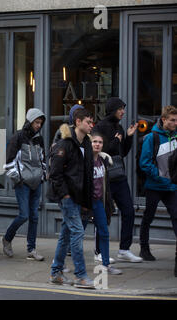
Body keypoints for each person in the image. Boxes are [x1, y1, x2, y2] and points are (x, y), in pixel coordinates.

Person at [48, 108, 95, 289]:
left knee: (67, 234)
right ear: (78, 122)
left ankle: (55, 272)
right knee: (77, 232)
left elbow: (87, 175)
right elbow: (55, 173)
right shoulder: (65, 144)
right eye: (88, 122)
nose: (91, 125)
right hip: (67, 196)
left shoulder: (87, 145)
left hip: (80, 196)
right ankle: (81, 276)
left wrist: (86, 202)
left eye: (92, 123)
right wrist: (65, 195)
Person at [93, 97, 142, 263]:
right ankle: (99, 251)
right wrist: (116, 141)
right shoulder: (100, 127)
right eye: (120, 108)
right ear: (112, 109)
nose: (123, 111)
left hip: (119, 176)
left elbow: (121, 153)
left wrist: (127, 137)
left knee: (128, 211)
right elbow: (100, 149)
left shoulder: (119, 127)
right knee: (104, 214)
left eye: (123, 108)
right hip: (104, 177)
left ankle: (124, 249)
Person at [2, 108, 46, 261]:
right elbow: (8, 161)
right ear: (29, 121)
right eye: (36, 122)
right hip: (23, 182)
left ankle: (31, 249)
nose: (38, 125)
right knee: (24, 215)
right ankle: (7, 238)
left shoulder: (39, 138)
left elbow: (42, 159)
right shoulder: (18, 137)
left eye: (40, 123)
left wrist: (43, 175)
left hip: (36, 181)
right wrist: (17, 179)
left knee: (34, 216)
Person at [139, 105, 177, 268]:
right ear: (164, 120)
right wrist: (162, 179)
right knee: (148, 216)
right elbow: (145, 164)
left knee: (176, 217)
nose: (175, 123)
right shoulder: (151, 137)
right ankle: (144, 248)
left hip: (172, 187)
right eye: (172, 120)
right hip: (154, 186)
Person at [90, 132, 123, 275]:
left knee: (104, 232)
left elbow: (104, 185)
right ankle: (58, 264)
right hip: (86, 203)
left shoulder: (103, 161)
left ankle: (106, 265)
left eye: (100, 142)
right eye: (94, 142)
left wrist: (108, 201)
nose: (97, 144)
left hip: (98, 202)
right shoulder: (85, 161)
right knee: (74, 234)